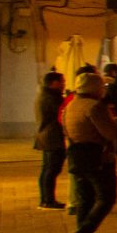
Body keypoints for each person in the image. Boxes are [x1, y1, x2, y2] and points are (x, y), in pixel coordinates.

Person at [61, 70, 117, 233]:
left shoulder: (71, 105)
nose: (104, 89)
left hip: (77, 155)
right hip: (98, 157)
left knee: (85, 198)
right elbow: (111, 133)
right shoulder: (94, 106)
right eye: (102, 86)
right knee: (106, 197)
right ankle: (84, 232)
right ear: (95, 87)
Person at [32, 70, 68, 208]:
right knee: (51, 169)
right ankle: (47, 200)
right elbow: (62, 113)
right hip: (52, 136)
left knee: (48, 169)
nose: (64, 84)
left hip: (46, 135)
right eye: (62, 81)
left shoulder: (44, 94)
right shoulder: (51, 98)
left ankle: (46, 199)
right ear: (54, 83)